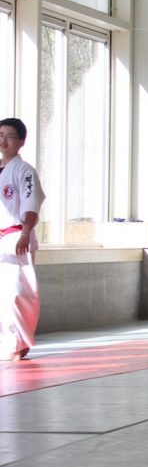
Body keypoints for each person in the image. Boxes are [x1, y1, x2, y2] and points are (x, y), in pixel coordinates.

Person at [0, 118, 44, 362]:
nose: (3, 140)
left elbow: (31, 202)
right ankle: (7, 342)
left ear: (21, 142)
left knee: (17, 293)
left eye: (9, 136)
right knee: (1, 296)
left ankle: (19, 343)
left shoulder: (25, 171)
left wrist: (26, 232)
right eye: (0, 135)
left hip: (18, 236)